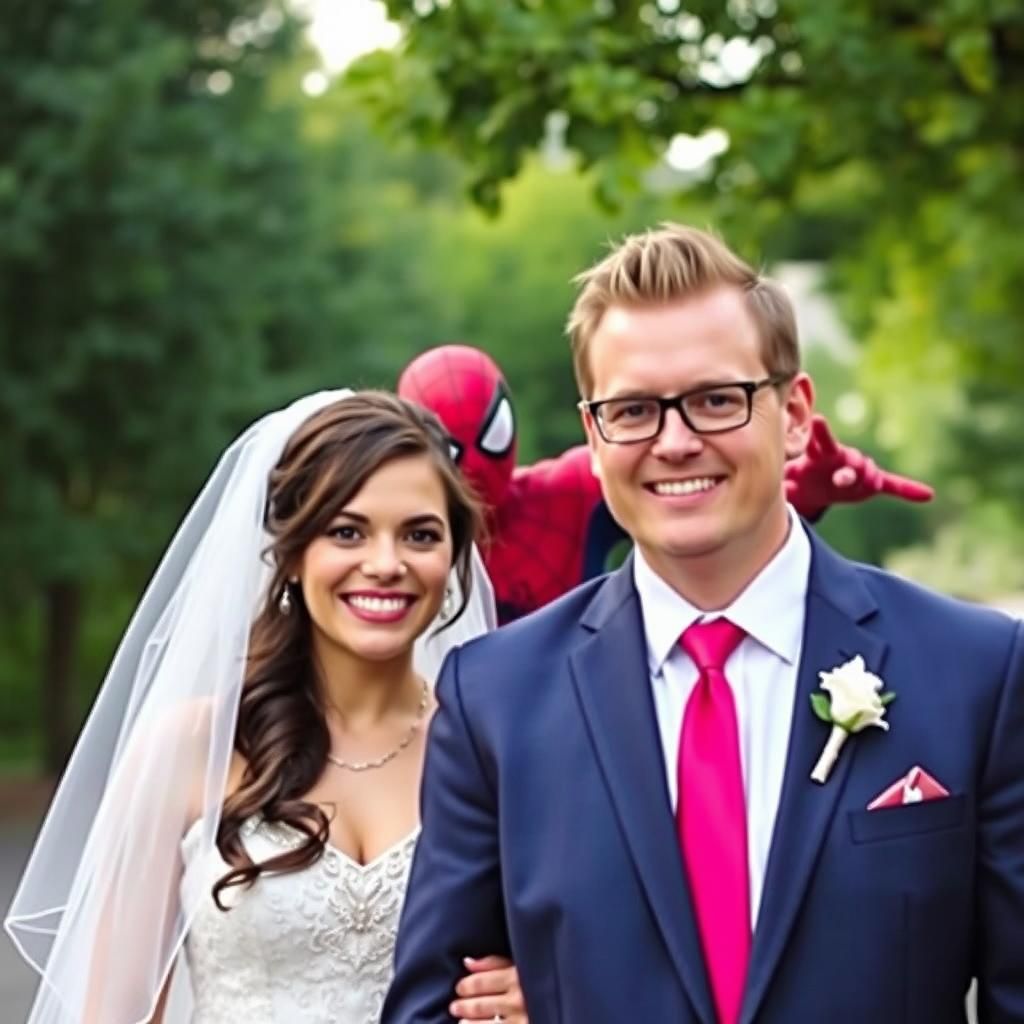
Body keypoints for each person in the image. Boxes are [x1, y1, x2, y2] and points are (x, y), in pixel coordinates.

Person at [383, 226, 1024, 1023]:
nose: (676, 442)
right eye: (633, 410)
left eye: (717, 400)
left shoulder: (977, 673)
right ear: (593, 436)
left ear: (795, 415)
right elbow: (431, 1009)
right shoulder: (495, 701)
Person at [6, 390, 528, 1024]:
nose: (386, 564)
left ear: (452, 556)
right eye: (347, 531)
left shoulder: (491, 751)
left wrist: (539, 996)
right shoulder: (189, 748)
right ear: (292, 552)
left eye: (419, 535)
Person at [398, 344, 934, 622]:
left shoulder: (566, 493)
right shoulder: (389, 535)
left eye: (485, 438)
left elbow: (695, 499)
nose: (473, 469)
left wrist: (791, 488)